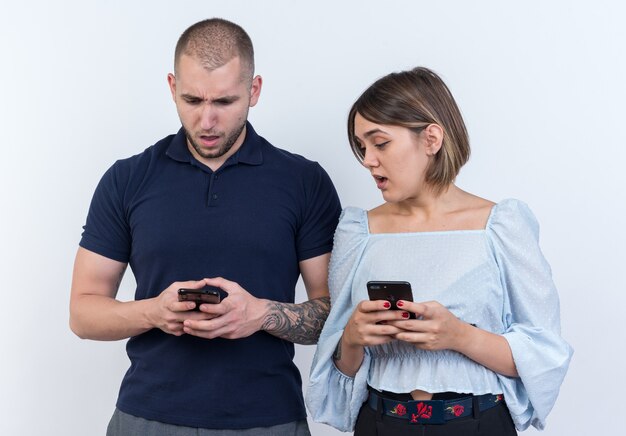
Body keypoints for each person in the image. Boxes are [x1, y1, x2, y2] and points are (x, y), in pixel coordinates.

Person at [69, 18, 341, 435]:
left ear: (254, 91)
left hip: (268, 419)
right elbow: (83, 313)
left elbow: (336, 316)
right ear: (171, 86)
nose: (207, 120)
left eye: (225, 102)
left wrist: (260, 314)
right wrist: (155, 312)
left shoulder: (304, 181)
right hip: (146, 417)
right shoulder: (127, 179)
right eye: (192, 100)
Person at [306, 67, 573, 435]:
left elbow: (544, 355)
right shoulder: (358, 232)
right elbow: (340, 370)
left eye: (379, 143)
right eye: (361, 146)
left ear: (431, 138)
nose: (367, 159)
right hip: (380, 422)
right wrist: (352, 336)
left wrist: (458, 335)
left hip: (479, 424)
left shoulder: (501, 226)